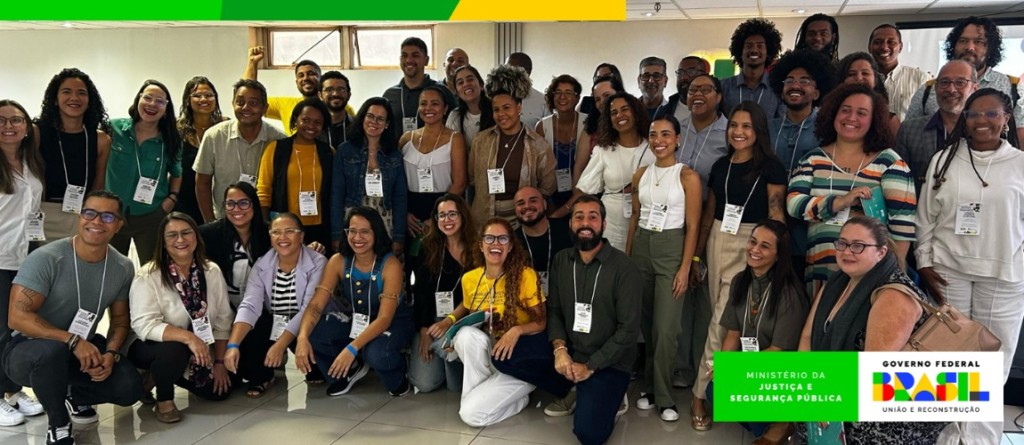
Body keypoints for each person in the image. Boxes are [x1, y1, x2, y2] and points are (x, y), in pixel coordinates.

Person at [915, 89, 1024, 445]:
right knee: (949, 358)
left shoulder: (1020, 163)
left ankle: (980, 438)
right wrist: (924, 261)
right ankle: (947, 436)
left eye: (991, 114)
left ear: (1006, 119)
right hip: (949, 271)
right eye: (974, 114)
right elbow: (926, 216)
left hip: (1004, 276)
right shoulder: (945, 160)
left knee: (993, 361)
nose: (981, 121)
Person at [4, 190, 141, 445]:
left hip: (81, 348)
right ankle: (58, 424)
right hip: (29, 350)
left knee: (129, 388)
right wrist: (72, 340)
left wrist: (111, 353)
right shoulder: (47, 258)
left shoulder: (122, 266)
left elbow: (121, 320)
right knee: (51, 353)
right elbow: (17, 317)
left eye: (108, 216)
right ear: (80, 217)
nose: (97, 221)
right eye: (90, 213)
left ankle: (72, 394)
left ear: (119, 225)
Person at [797, 216, 945, 444]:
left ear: (881, 252)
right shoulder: (837, 282)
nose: (847, 251)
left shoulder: (894, 295)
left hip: (886, 412)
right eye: (842, 243)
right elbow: (807, 337)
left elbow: (874, 372)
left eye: (858, 246)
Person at [690, 102, 787, 430]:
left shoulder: (771, 167)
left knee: (722, 320)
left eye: (746, 126)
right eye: (734, 125)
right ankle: (720, 386)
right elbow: (709, 214)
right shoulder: (721, 165)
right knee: (713, 316)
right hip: (717, 239)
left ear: (758, 131)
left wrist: (774, 255)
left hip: (752, 242)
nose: (739, 132)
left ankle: (699, 395)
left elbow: (776, 214)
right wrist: (697, 256)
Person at [787, 83, 917, 296]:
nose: (851, 118)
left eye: (862, 113)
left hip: (870, 279)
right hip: (820, 271)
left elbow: (902, 228)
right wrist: (840, 202)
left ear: (874, 120)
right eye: (845, 110)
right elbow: (794, 204)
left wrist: (892, 276)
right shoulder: (812, 159)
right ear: (833, 113)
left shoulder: (890, 163)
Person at [427, 218, 555, 427]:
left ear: (510, 246)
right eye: (489, 238)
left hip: (520, 357)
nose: (496, 243)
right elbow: (471, 316)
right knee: (465, 335)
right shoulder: (470, 278)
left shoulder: (525, 275)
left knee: (470, 415)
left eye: (502, 239)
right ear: (481, 244)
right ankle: (497, 396)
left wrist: (516, 330)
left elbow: (541, 322)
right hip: (491, 351)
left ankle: (511, 400)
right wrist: (452, 333)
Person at [541, 194, 640, 444]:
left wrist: (591, 366)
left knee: (589, 435)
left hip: (608, 361)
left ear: (603, 225)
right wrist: (560, 350)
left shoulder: (624, 267)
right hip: (570, 351)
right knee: (509, 356)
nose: (585, 223)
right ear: (570, 224)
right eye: (579, 217)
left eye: (593, 217)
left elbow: (628, 330)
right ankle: (578, 387)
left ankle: (589, 389)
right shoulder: (561, 260)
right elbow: (554, 310)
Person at [626, 115, 702, 422]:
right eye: (654, 134)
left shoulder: (687, 177)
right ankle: (650, 388)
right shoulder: (640, 174)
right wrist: (628, 259)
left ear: (678, 139)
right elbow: (635, 217)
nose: (659, 140)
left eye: (666, 134)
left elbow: (693, 226)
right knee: (646, 325)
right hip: (642, 246)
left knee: (666, 328)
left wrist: (685, 267)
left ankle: (665, 396)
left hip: (672, 248)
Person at [127, 212, 234, 422]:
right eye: (172, 235)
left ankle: (160, 375)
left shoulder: (211, 271)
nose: (180, 240)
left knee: (220, 392)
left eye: (186, 233)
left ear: (196, 236)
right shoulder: (149, 275)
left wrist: (220, 363)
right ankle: (164, 399)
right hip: (149, 345)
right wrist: (189, 338)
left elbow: (223, 320)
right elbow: (143, 325)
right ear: (162, 241)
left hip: (198, 346)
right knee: (174, 350)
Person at [296, 207, 414, 397]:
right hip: (358, 318)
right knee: (314, 332)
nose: (357, 237)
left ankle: (399, 371)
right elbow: (316, 305)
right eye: (352, 231)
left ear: (376, 233)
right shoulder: (338, 260)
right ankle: (350, 370)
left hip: (392, 321)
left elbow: (384, 318)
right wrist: (302, 337)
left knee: (377, 354)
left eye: (365, 231)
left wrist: (352, 348)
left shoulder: (390, 264)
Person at [713, 219, 808, 443]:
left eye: (765, 246)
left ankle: (782, 422)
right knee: (715, 391)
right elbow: (733, 333)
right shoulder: (740, 281)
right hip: (751, 366)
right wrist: (724, 367)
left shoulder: (790, 293)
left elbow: (778, 351)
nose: (754, 250)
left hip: (780, 373)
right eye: (753, 242)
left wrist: (738, 369)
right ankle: (768, 422)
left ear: (779, 255)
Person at [225, 213, 328, 397]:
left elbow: (308, 309)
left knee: (319, 370)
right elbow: (250, 305)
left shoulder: (318, 262)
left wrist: (280, 345)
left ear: (301, 236)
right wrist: (233, 345)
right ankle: (263, 376)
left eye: (290, 231)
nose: (282, 237)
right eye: (276, 232)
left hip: (307, 324)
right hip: (275, 321)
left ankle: (311, 365)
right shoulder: (261, 264)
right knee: (255, 325)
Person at [906, 16, 1024, 144]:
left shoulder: (1012, 87)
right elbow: (909, 134)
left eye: (978, 41)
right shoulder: (929, 89)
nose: (970, 47)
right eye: (963, 41)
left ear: (990, 48)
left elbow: (1020, 141)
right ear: (954, 45)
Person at [0, 100, 45, 425]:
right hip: (0, 257)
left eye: (16, 120)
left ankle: (12, 390)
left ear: (27, 127)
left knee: (16, 329)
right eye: (1, 120)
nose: (9, 126)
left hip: (24, 257)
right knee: (0, 329)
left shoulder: (32, 161)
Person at [105, 79, 182, 265]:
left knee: (153, 269)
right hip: (111, 213)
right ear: (138, 100)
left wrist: (171, 200)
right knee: (110, 268)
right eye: (147, 98)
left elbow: (177, 173)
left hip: (151, 214)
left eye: (160, 101)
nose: (152, 104)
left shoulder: (171, 139)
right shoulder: (113, 129)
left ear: (166, 110)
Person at [468, 65, 556, 227]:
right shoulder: (480, 141)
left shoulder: (539, 145)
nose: (501, 114)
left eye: (507, 108)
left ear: (519, 107)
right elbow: (473, 179)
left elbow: (548, 187)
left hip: (523, 220)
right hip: (484, 218)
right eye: (496, 109)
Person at [34, 68, 112, 241]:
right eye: (66, 92)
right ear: (55, 99)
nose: (74, 98)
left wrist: (93, 215)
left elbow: (98, 185)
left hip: (81, 215)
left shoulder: (101, 140)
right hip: (42, 213)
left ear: (89, 100)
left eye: (81, 93)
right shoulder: (37, 133)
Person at [409, 194, 477, 393]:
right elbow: (420, 292)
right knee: (425, 383)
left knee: (456, 386)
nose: (447, 220)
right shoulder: (426, 247)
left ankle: (450, 354)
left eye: (452, 214)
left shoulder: (477, 248)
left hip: (464, 319)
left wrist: (449, 322)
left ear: (463, 215)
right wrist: (424, 330)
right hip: (433, 319)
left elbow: (477, 295)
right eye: (441, 215)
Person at [571, 92, 653, 251]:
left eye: (625, 109)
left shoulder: (653, 148)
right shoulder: (603, 150)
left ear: (636, 113)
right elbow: (584, 190)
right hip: (611, 224)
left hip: (645, 221)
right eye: (613, 113)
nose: (619, 115)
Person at [194, 79, 286, 222]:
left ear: (265, 108)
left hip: (263, 222)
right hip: (224, 220)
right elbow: (202, 183)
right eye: (240, 102)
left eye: (253, 103)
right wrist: (210, 223)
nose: (245, 107)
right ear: (233, 104)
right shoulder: (214, 136)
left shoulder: (279, 140)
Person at [331, 97, 407, 255]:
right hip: (353, 220)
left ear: (387, 124)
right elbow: (336, 194)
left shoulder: (394, 155)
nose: (374, 122)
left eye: (380, 119)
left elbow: (400, 197)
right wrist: (336, 234)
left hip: (385, 220)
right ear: (362, 118)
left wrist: (399, 236)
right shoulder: (345, 151)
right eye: (370, 116)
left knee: (385, 265)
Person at [256, 98, 335, 250]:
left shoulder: (329, 152)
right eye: (305, 120)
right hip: (285, 228)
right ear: (295, 120)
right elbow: (263, 191)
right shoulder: (276, 149)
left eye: (317, 122)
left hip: (321, 228)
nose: (311, 126)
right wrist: (266, 226)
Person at [400, 84, 467, 262]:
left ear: (445, 109)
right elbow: (398, 181)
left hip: (445, 208)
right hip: (411, 212)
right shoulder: (406, 138)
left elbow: (460, 182)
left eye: (435, 104)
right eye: (423, 104)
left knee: (441, 261)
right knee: (413, 263)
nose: (428, 108)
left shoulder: (455, 138)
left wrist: (438, 216)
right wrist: (404, 213)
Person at [895, 60, 979, 196]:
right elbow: (898, 182)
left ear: (974, 88)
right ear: (935, 87)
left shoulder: (983, 131)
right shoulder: (909, 130)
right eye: (944, 82)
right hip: (921, 207)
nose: (951, 89)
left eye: (960, 82)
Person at [200, 182, 271, 308]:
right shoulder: (208, 234)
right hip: (220, 307)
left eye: (243, 203)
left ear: (254, 205)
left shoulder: (270, 233)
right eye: (230, 204)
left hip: (262, 307)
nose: (236, 209)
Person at [175, 76, 227, 224]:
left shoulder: (225, 126)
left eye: (209, 95)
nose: (204, 99)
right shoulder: (177, 129)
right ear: (188, 100)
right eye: (197, 95)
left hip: (219, 200)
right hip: (184, 200)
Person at [383, 37, 454, 137]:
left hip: (434, 147)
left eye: (415, 55)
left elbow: (455, 126)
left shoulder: (442, 92)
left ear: (426, 60)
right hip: (396, 147)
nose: (409, 60)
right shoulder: (390, 94)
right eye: (404, 55)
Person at [242, 46, 322, 135]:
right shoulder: (286, 105)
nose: (305, 78)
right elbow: (249, 97)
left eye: (311, 74)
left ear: (321, 79)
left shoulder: (330, 105)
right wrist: (252, 63)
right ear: (296, 82)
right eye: (301, 75)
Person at [536, 75, 587, 211]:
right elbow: (538, 168)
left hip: (583, 192)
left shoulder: (588, 123)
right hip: (550, 195)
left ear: (577, 98)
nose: (562, 97)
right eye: (558, 92)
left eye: (568, 92)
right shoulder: (542, 126)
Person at [513, 186, 573, 296]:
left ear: (545, 204)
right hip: (526, 298)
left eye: (533, 201)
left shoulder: (568, 232)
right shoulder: (512, 241)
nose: (527, 206)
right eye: (521, 203)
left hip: (565, 295)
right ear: (515, 210)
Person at [721, 18, 785, 119]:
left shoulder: (778, 88)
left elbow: (781, 123)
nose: (754, 50)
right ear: (740, 51)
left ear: (768, 52)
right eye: (749, 46)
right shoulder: (724, 86)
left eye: (760, 46)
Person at [678, 74, 729, 192]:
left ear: (718, 97)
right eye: (692, 90)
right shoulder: (676, 128)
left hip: (709, 201)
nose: (697, 94)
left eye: (705, 90)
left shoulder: (729, 133)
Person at [869, 24, 930, 121]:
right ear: (869, 47)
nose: (884, 47)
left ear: (900, 47)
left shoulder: (921, 79)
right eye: (878, 42)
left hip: (909, 131)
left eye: (891, 42)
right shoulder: (861, 79)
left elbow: (931, 117)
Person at [837, 52, 900, 134]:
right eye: (851, 74)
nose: (859, 78)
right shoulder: (830, 114)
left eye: (865, 73)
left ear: (875, 80)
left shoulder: (889, 121)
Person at [446, 65, 495, 150]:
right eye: (460, 83)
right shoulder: (455, 116)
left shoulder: (496, 110)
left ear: (481, 85)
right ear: (457, 92)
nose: (466, 84)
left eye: (470, 79)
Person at [504, 52, 549, 129]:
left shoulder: (542, 101)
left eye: (510, 69)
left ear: (527, 72)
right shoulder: (494, 98)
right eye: (505, 69)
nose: (505, 73)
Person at [660, 56, 709, 124]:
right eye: (680, 73)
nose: (684, 77)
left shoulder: (717, 109)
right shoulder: (664, 111)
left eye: (691, 72)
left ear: (705, 76)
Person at [318, 71, 353, 149]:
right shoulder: (313, 128)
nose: (335, 94)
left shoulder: (359, 127)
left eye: (341, 89)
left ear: (349, 95)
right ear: (320, 95)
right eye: (329, 90)